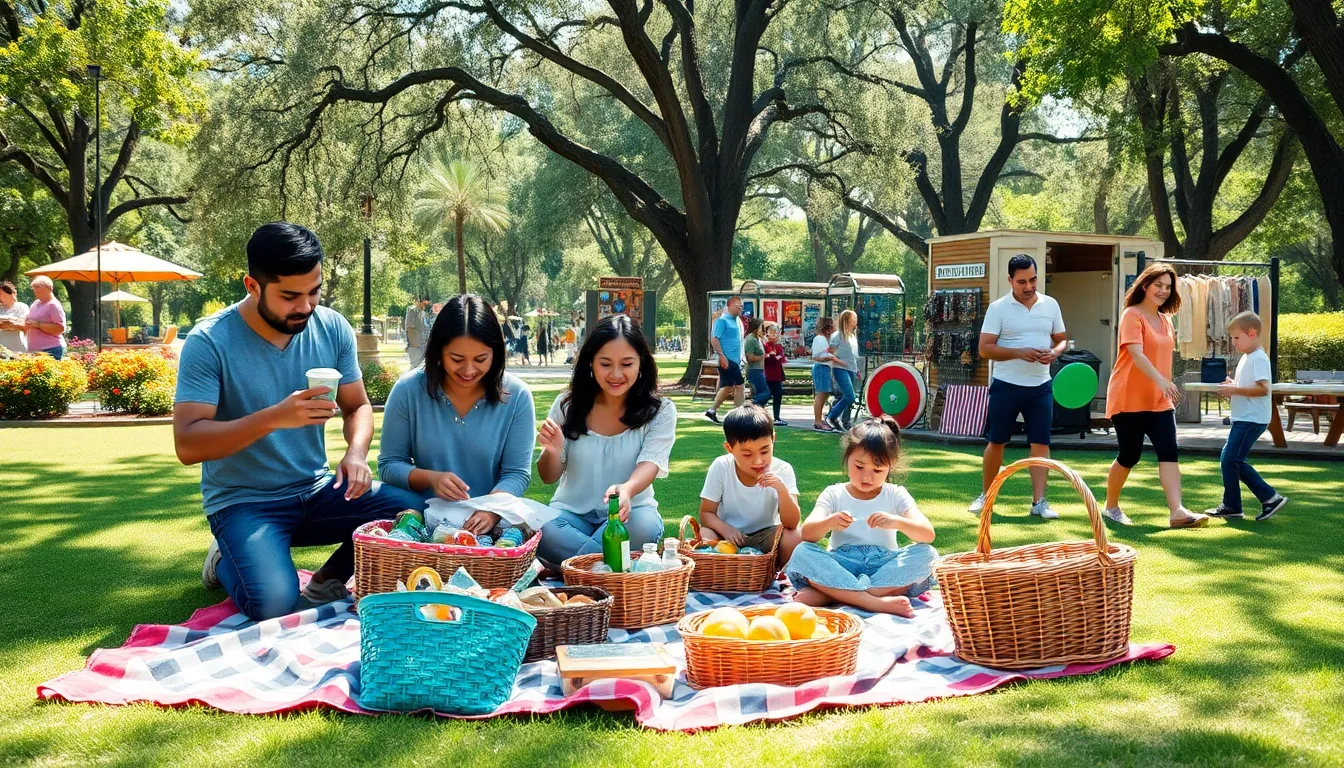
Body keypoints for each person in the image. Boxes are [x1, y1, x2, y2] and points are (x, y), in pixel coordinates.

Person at [173, 222, 423, 621]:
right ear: (252, 286)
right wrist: (275, 417)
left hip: (318, 491)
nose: (306, 306)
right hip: (245, 502)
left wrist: (356, 454)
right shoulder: (210, 341)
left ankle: (328, 578)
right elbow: (188, 444)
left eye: (314, 291)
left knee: (414, 512)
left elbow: (357, 406)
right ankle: (224, 555)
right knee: (272, 604)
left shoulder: (332, 327)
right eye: (290, 296)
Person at [377, 295, 536, 534]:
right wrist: (431, 479)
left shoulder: (517, 395)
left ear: (496, 354)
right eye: (457, 359)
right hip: (421, 519)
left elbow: (517, 474)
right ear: (439, 352)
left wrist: (491, 510)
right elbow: (389, 465)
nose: (469, 370)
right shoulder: (408, 390)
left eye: (481, 359)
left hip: (488, 525)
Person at [536, 315, 677, 566]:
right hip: (569, 515)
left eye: (626, 364)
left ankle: (576, 566)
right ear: (590, 362)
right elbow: (548, 476)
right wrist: (553, 450)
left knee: (643, 528)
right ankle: (608, 566)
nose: (616, 374)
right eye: (605, 364)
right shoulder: (567, 406)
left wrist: (627, 490)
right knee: (543, 528)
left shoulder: (660, 411)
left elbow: (650, 463)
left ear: (641, 363)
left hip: (630, 515)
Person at [784, 417, 938, 617]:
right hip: (840, 563)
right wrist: (830, 522)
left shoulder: (896, 494)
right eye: (859, 466)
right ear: (847, 459)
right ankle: (873, 602)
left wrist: (897, 522)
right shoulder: (834, 493)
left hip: (883, 566)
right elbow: (808, 534)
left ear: (890, 466)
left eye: (877, 470)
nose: (867, 477)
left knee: (928, 555)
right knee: (803, 552)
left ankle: (833, 595)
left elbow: (927, 535)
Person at [1102, 264, 1208, 528]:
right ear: (1145, 285)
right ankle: (1110, 506)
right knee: (1130, 455)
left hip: (1160, 400)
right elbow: (1136, 355)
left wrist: (1164, 384)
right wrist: (1162, 380)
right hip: (1128, 396)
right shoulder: (1132, 315)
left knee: (1169, 451)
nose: (1163, 290)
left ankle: (1178, 512)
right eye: (1158, 285)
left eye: (1168, 287)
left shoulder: (1166, 319)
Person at [969, 254, 1068, 519]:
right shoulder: (998, 308)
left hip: (1041, 386)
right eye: (1022, 281)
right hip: (1006, 385)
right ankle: (987, 497)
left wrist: (1055, 353)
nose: (1028, 286)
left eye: (1033, 279)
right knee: (997, 441)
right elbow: (984, 349)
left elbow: (1061, 340)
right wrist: (1018, 352)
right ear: (1010, 280)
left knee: (1040, 443)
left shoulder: (1051, 305)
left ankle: (1039, 503)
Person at [1205, 312, 1289, 522]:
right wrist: (1233, 385)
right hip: (1245, 417)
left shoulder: (1258, 358)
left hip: (1252, 419)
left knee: (1231, 459)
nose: (1233, 342)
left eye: (1236, 337)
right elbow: (1248, 386)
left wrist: (1235, 390)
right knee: (1230, 459)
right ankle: (1234, 505)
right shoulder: (1248, 357)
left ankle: (1269, 497)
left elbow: (1262, 389)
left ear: (1251, 334)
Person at [698, 404, 803, 568]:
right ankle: (723, 574)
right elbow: (706, 513)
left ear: (773, 440)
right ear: (729, 449)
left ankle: (778, 577)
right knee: (705, 535)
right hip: (728, 535)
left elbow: (792, 524)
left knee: (795, 537)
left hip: (765, 534)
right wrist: (726, 529)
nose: (758, 461)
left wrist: (782, 490)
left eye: (765, 451)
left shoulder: (783, 469)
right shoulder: (721, 466)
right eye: (747, 454)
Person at [705, 296, 745, 423]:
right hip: (727, 360)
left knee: (728, 387)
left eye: (741, 306)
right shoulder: (722, 321)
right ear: (730, 306)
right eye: (738, 306)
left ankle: (712, 411)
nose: (741, 308)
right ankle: (740, 414)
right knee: (739, 386)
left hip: (735, 360)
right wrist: (722, 355)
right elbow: (714, 339)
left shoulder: (737, 320)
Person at [826, 309, 860, 431]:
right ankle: (831, 416)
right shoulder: (837, 335)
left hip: (851, 368)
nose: (855, 321)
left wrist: (856, 369)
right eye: (853, 319)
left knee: (849, 396)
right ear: (847, 320)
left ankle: (846, 421)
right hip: (840, 368)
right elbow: (830, 353)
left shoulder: (852, 335)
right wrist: (840, 362)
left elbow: (852, 355)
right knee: (850, 395)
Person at [24, 276, 66, 359]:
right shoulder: (36, 303)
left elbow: (60, 328)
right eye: (34, 287)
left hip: (51, 349)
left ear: (50, 288)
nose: (35, 290)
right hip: (35, 350)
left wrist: (38, 324)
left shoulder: (53, 305)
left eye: (38, 286)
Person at [810, 317, 837, 431]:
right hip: (821, 368)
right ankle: (818, 421)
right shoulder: (820, 339)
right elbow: (817, 357)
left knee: (825, 394)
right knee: (821, 394)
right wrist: (832, 357)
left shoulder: (826, 339)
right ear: (827, 328)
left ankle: (819, 419)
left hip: (825, 368)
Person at [762, 322, 788, 426]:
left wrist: (775, 357)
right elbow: (768, 358)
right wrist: (772, 357)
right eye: (771, 333)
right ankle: (759, 414)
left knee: (778, 395)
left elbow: (781, 358)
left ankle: (776, 417)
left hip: (777, 374)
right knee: (766, 395)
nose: (773, 335)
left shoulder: (778, 346)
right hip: (768, 374)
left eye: (775, 333)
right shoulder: (765, 345)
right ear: (767, 334)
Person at [743, 317, 772, 410]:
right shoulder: (750, 339)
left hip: (760, 369)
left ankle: (757, 410)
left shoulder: (757, 339)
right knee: (765, 393)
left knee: (762, 392)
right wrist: (764, 356)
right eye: (761, 327)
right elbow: (750, 358)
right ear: (756, 328)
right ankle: (751, 406)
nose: (763, 329)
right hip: (754, 370)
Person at [0, 281, 29, 353]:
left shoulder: (22, 306)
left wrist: (6, 324)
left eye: (2, 293)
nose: (0, 296)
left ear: (11, 293)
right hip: (2, 347)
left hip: (18, 346)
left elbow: (25, 325)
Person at [405, 298, 430, 368]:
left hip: (423, 346)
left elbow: (425, 328)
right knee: (415, 368)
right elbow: (409, 328)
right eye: (426, 301)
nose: (427, 304)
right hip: (416, 347)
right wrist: (415, 344)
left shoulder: (423, 313)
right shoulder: (412, 310)